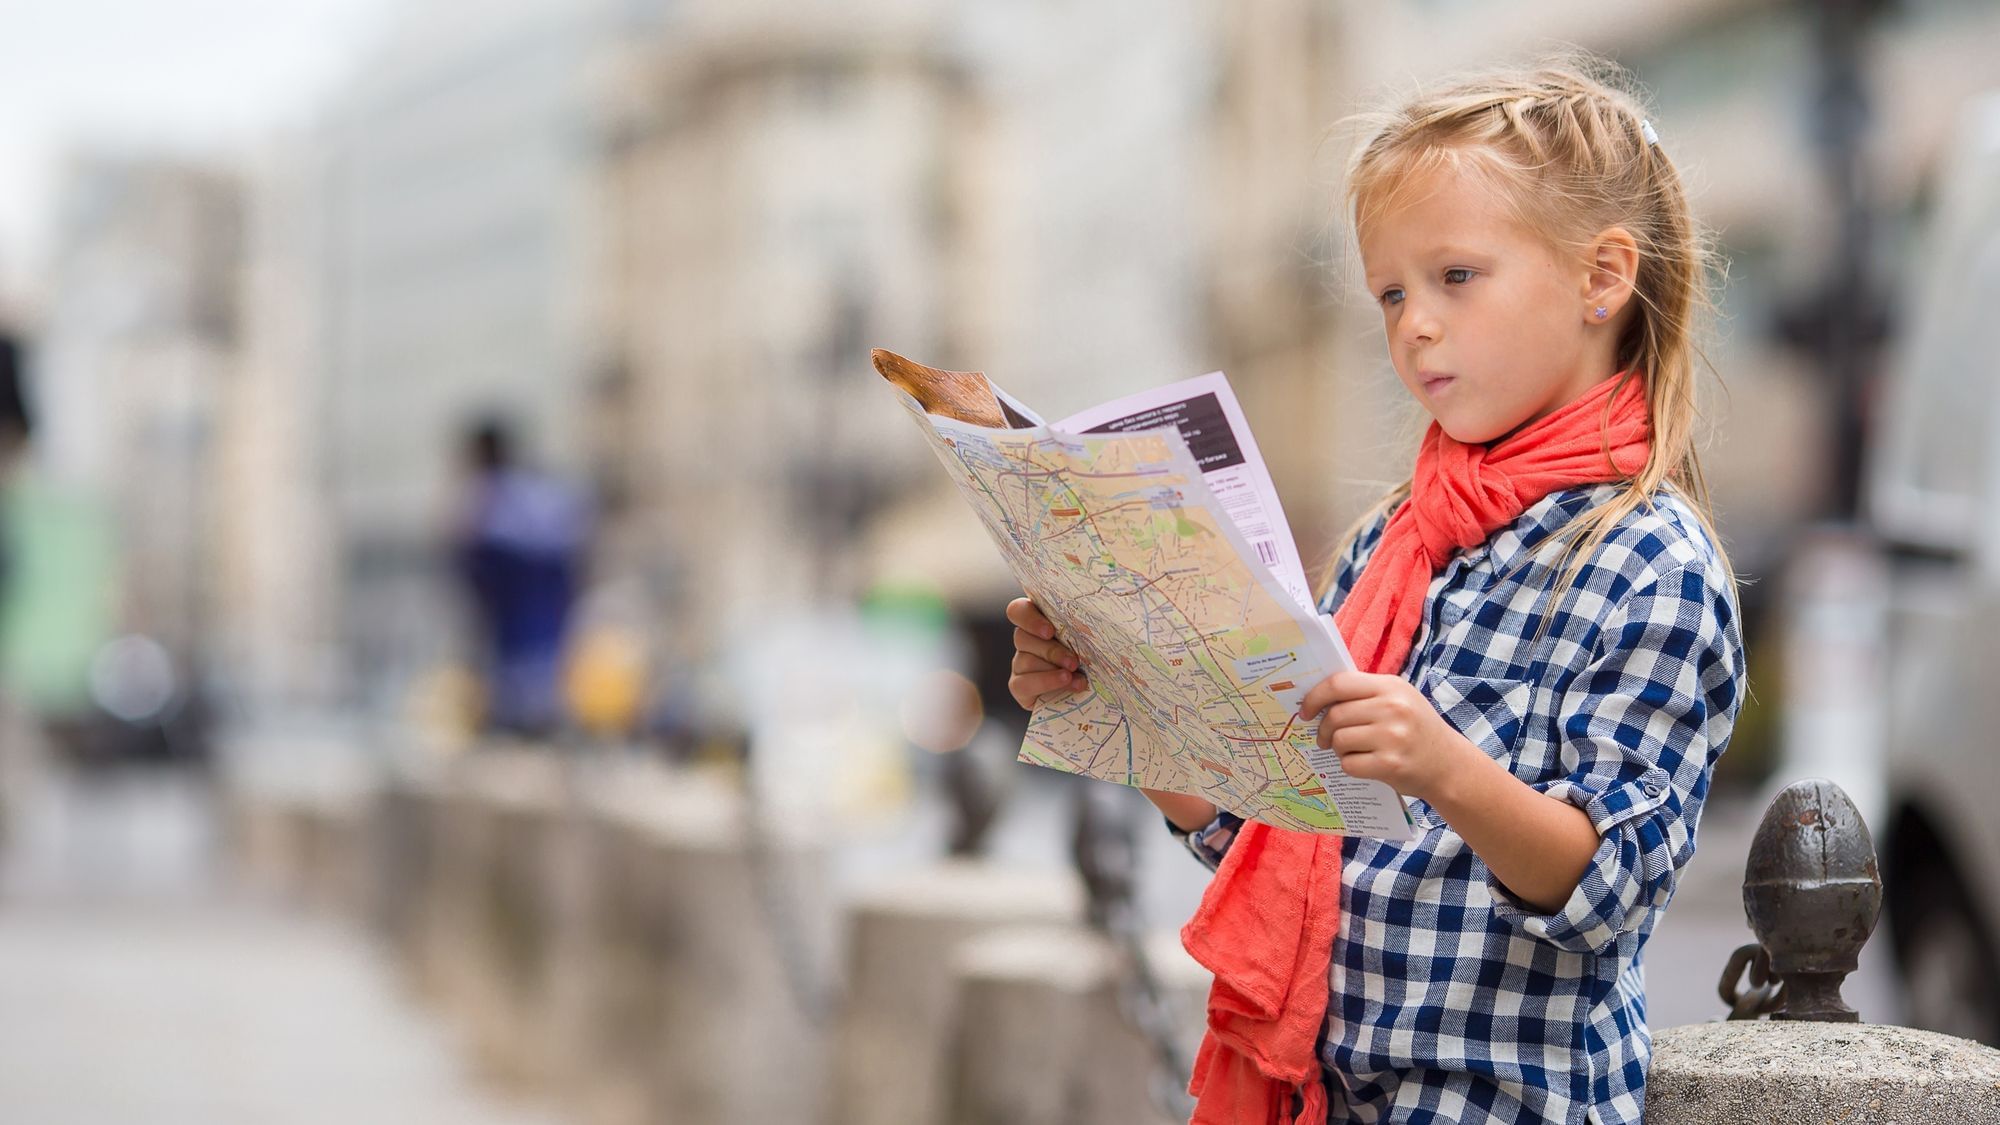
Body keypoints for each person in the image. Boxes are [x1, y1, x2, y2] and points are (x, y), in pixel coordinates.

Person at [1006, 55, 1745, 1124]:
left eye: (1454, 277)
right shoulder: (1393, 544)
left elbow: (1610, 896)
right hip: (1334, 1097)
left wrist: (1443, 767)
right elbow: (1273, 839)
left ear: (1599, 279)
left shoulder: (1645, 559)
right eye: (1390, 291)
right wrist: (1123, 699)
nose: (1413, 323)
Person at [454, 417, 590, 738]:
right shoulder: (543, 497)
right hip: (546, 644)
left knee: (520, 720)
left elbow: (476, 571)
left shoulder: (492, 502)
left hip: (520, 647)